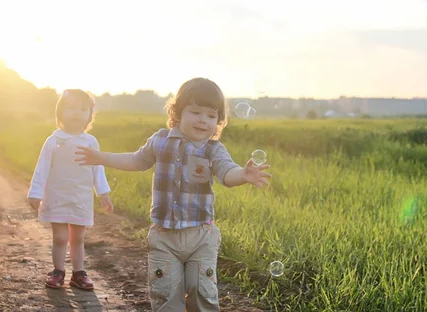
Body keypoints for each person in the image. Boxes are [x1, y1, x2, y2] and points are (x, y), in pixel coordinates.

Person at [75, 77, 271, 311]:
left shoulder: (213, 150)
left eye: (211, 116)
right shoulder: (160, 141)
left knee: (202, 293)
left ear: (219, 121)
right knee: (166, 296)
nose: (203, 120)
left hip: (201, 236)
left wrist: (243, 175)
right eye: (196, 112)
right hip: (163, 237)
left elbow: (227, 173)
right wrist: (101, 157)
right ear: (177, 113)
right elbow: (137, 160)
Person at [27, 89, 113, 291]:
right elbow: (42, 168)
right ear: (60, 113)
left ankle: (78, 273)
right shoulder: (54, 141)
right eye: (71, 108)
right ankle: (58, 271)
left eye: (83, 109)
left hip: (81, 198)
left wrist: (103, 193)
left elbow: (97, 169)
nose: (77, 112)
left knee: (78, 238)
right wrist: (36, 192)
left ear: (89, 116)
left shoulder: (90, 142)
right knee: (60, 237)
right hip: (57, 196)